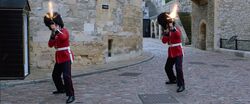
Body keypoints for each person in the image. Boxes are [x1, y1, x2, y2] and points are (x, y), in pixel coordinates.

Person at [44, 12, 75, 103]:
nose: (52, 26)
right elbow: (50, 45)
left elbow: (64, 37)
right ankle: (61, 89)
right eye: (51, 25)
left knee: (66, 76)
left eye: (53, 24)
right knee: (55, 75)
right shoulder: (54, 33)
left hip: (66, 56)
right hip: (59, 57)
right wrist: (53, 36)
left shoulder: (64, 31)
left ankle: (71, 95)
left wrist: (56, 31)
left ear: (58, 24)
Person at [157, 12, 185, 92]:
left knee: (178, 68)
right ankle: (173, 79)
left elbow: (178, 35)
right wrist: (165, 34)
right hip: (171, 52)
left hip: (178, 51)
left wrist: (172, 29)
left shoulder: (175, 28)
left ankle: (181, 85)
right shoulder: (167, 30)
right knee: (167, 67)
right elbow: (164, 41)